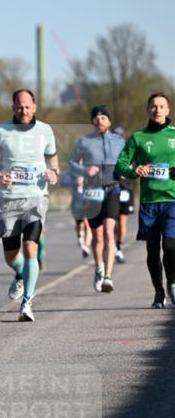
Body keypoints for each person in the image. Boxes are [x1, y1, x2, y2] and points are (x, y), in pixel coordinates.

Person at [0, 89, 59, 322]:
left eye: (27, 106)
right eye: (19, 106)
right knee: (10, 255)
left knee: (30, 247)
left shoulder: (45, 130)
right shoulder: (1, 131)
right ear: (13, 107)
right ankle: (19, 273)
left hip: (36, 197)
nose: (23, 110)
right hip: (9, 199)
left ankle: (27, 302)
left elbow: (53, 159)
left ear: (34, 107)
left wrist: (54, 173)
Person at [115, 93, 175, 308]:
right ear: (148, 109)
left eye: (161, 106)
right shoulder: (138, 137)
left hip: (171, 200)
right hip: (149, 203)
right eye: (153, 106)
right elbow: (120, 165)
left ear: (168, 110)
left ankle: (173, 284)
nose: (157, 110)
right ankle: (158, 291)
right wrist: (134, 170)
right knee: (152, 249)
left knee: (170, 246)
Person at [68, 106, 125, 293]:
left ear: (109, 121)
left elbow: (127, 161)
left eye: (103, 117)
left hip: (112, 190)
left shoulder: (119, 141)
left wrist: (125, 172)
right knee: (98, 235)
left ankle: (108, 277)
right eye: (96, 117)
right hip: (92, 192)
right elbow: (72, 163)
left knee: (109, 232)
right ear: (92, 121)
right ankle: (98, 267)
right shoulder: (84, 141)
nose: (100, 120)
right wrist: (85, 170)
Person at [111, 126, 134, 263]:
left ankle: (118, 247)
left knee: (123, 223)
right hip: (112, 189)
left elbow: (135, 169)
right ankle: (113, 246)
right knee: (110, 222)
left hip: (126, 189)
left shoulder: (130, 151)